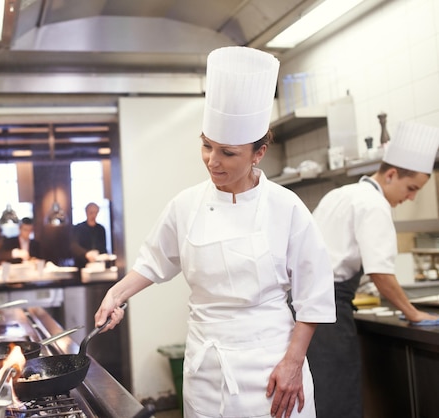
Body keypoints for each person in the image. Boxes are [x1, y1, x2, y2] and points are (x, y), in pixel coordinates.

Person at [93, 46, 336, 418]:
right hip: (206, 370)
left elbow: (314, 296)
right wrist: (116, 295)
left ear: (259, 153)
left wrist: (293, 362)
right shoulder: (185, 205)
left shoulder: (286, 208)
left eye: (227, 152)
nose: (212, 161)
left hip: (273, 367)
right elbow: (154, 263)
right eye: (206, 146)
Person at [309, 120, 439, 418]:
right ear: (391, 174)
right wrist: (414, 314)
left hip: (306, 304)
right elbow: (381, 274)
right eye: (411, 188)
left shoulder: (342, 194)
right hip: (329, 309)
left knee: (321, 394)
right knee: (337, 395)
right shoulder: (374, 204)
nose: (411, 198)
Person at [70, 202, 108, 268]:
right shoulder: (78, 228)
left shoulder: (101, 229)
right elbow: (74, 246)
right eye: (91, 213)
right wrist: (86, 254)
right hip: (82, 265)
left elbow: (103, 247)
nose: (93, 215)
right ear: (86, 212)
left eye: (95, 213)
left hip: (98, 264)